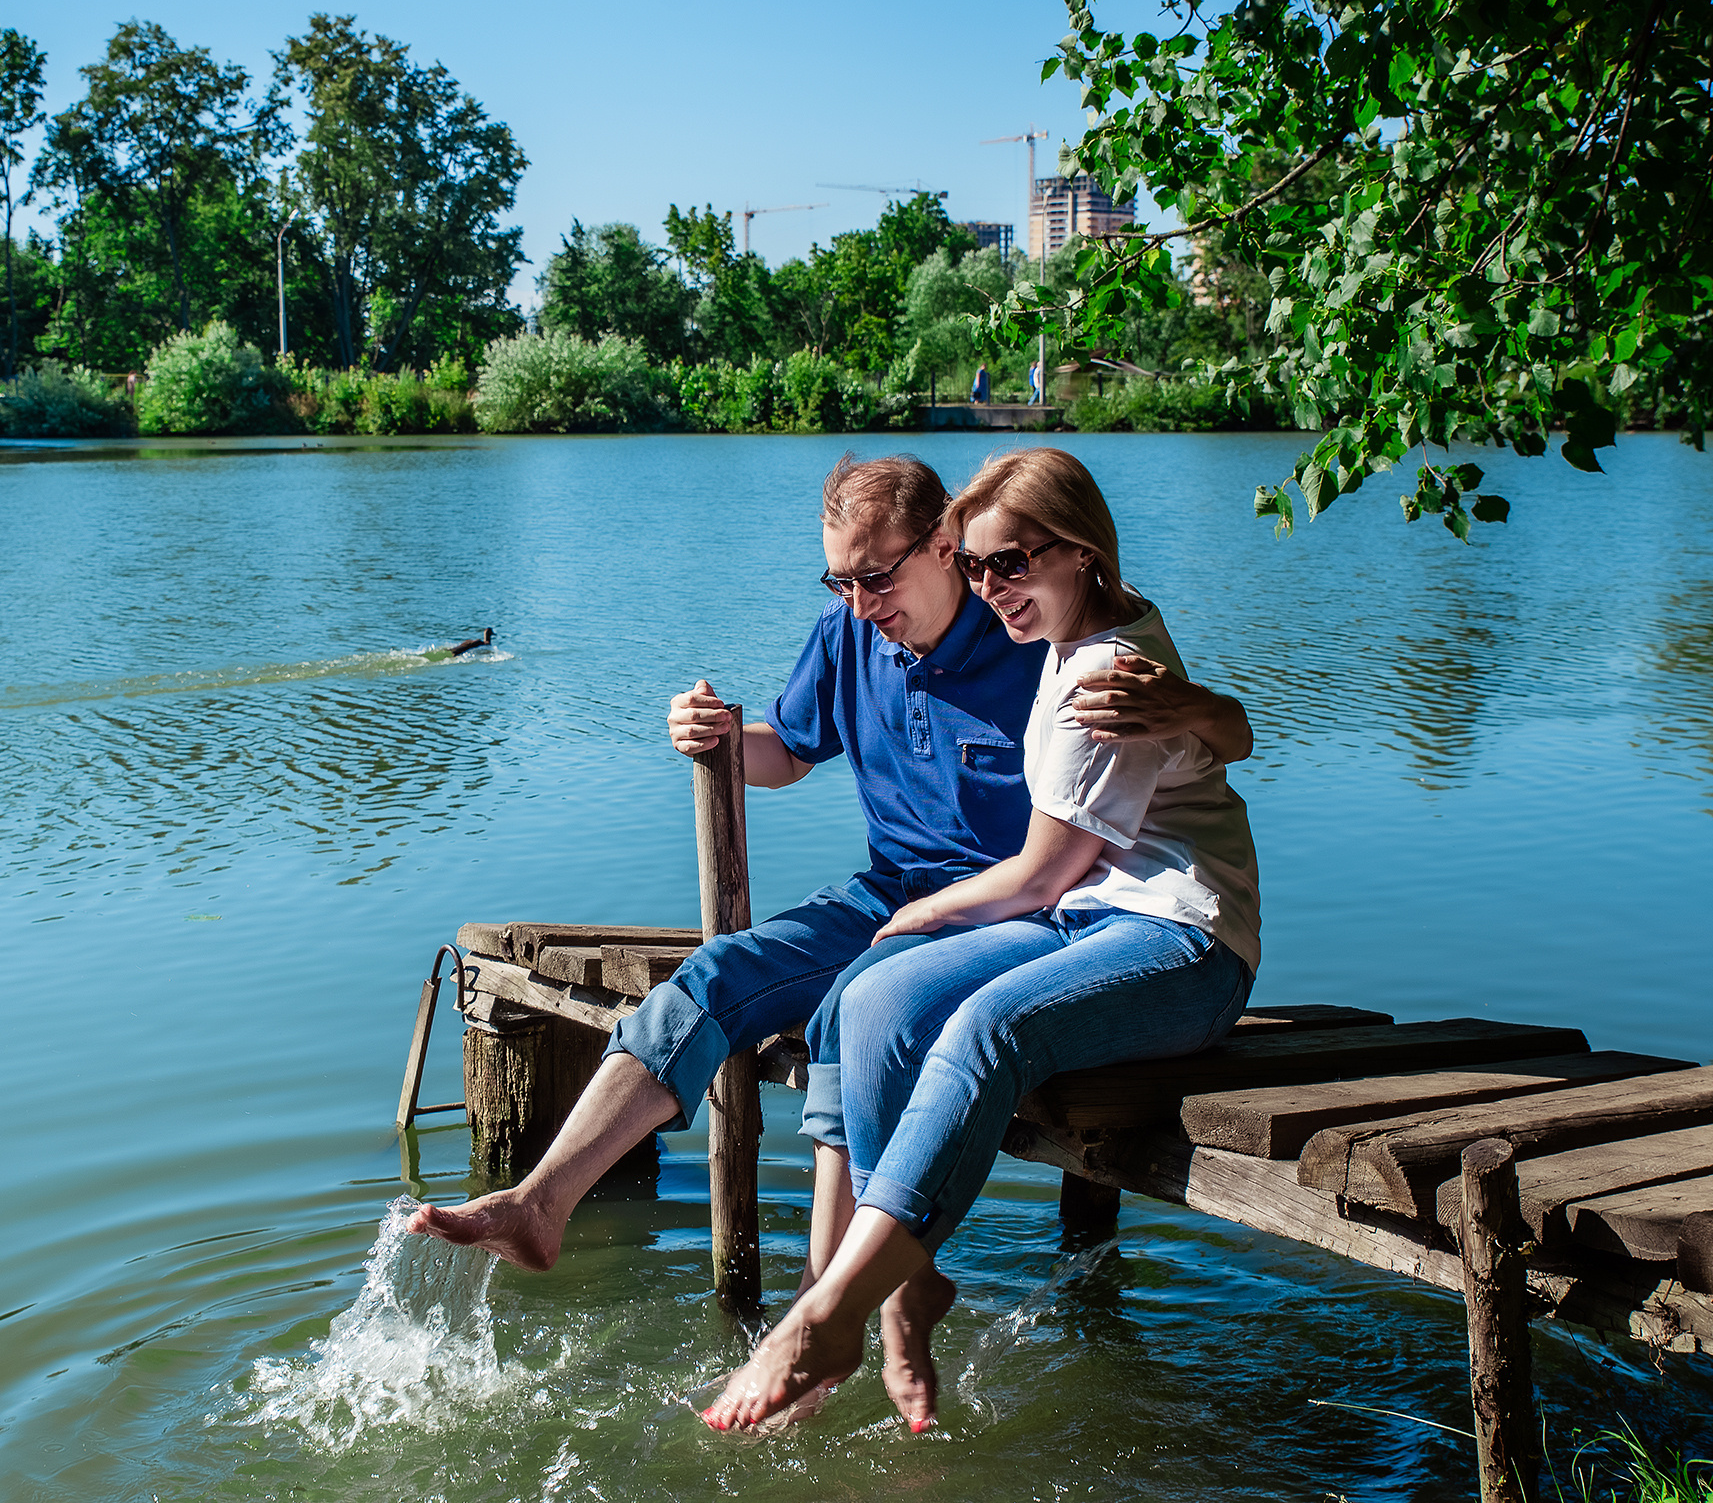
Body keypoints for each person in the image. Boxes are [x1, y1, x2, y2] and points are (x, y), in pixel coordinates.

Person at [406, 453, 1252, 1278]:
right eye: (839, 582)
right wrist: (725, 740)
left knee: (853, 1009)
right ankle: (540, 1204)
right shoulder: (850, 635)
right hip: (891, 888)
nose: (859, 602)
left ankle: (830, 1289)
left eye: (877, 577)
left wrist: (1204, 704)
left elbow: (1188, 731)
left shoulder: (1035, 624)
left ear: (941, 546)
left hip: (1021, 911)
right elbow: (792, 751)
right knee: (718, 976)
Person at [704, 446, 1261, 1434]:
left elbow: (1044, 871)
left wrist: (922, 912)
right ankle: (907, 1288)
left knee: (983, 1029)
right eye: (975, 564)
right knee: (875, 996)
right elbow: (1224, 726)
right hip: (1086, 924)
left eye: (1014, 562)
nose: (989, 586)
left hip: (1181, 944)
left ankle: (831, 1309)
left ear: (1082, 551)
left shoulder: (1099, 674)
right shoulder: (1068, 636)